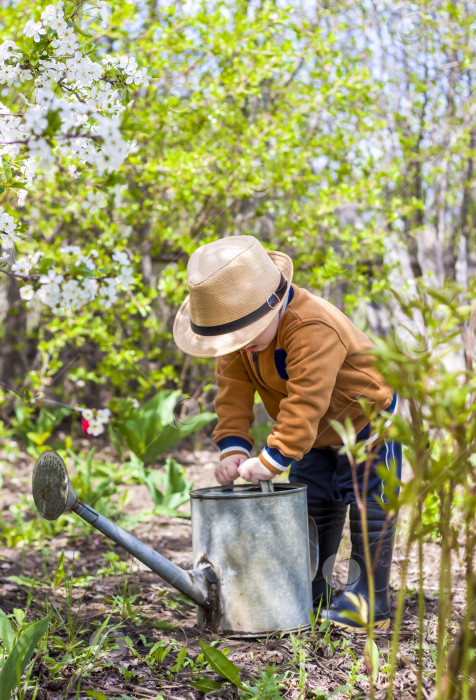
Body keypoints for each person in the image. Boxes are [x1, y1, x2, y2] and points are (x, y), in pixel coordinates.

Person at [173, 235, 401, 632]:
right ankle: (314, 586)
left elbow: (307, 399)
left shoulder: (311, 326)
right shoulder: (236, 337)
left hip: (367, 426)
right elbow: (233, 394)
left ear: (274, 306)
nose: (242, 349)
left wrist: (274, 457)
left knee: (370, 507)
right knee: (312, 505)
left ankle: (369, 598)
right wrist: (233, 447)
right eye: (234, 342)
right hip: (313, 436)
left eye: (248, 338)